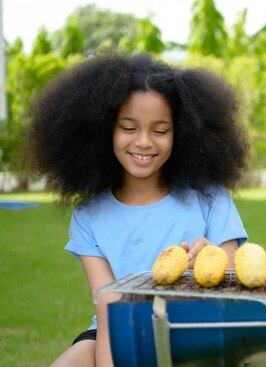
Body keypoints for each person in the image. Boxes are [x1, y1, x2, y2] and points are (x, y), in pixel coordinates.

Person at [27, 52, 249, 367]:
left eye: (160, 131)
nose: (144, 142)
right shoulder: (89, 216)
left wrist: (211, 259)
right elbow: (109, 307)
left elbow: (233, 280)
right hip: (118, 332)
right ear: (105, 130)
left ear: (182, 133)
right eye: (128, 127)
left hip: (195, 331)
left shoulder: (210, 198)